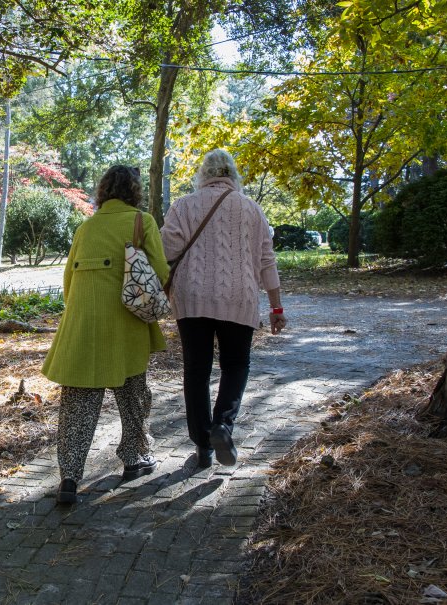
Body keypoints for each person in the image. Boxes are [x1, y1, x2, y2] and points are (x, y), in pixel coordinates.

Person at [42, 165, 170, 505]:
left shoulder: (86, 228)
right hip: (126, 326)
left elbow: (68, 282)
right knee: (133, 397)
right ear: (134, 190)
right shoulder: (142, 221)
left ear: (102, 191)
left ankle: (69, 477)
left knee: (77, 406)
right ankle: (135, 458)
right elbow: (160, 272)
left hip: (82, 326)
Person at [161, 149, 287, 469]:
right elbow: (267, 261)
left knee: (196, 371)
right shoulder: (252, 209)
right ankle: (223, 426)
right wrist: (276, 307)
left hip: (191, 298)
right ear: (233, 174)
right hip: (239, 296)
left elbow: (166, 250)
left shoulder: (183, 205)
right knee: (236, 365)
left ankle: (203, 445)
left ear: (203, 174)